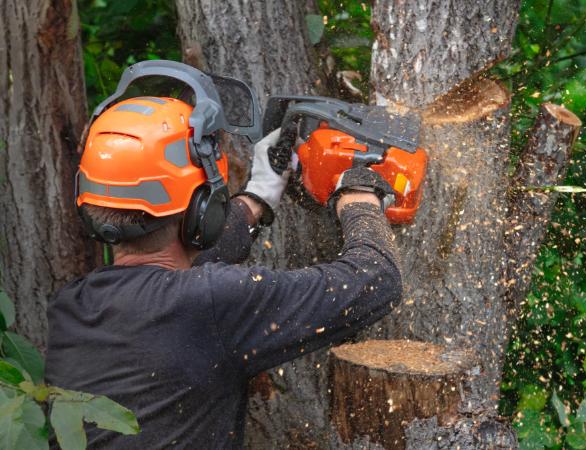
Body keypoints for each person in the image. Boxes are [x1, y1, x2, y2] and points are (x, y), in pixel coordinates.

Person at [45, 95, 402, 449]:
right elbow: (376, 278)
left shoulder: (73, 307)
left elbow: (181, 265)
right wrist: (360, 198)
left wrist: (257, 197)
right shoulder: (210, 303)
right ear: (202, 208)